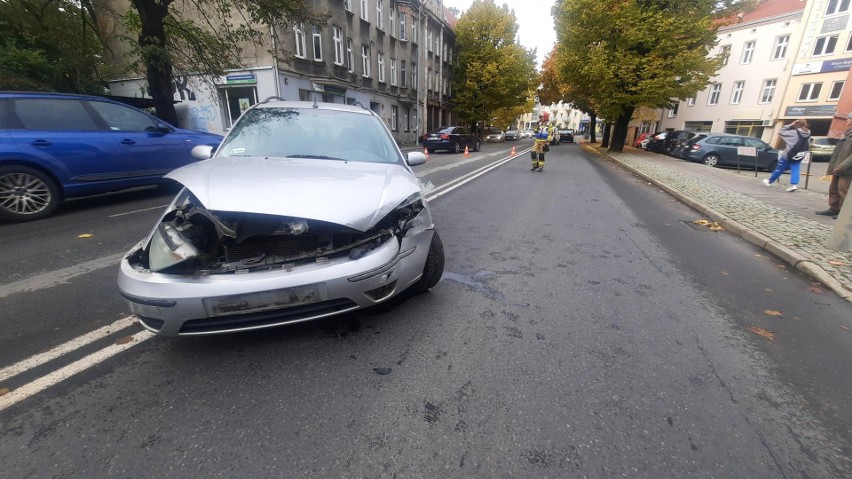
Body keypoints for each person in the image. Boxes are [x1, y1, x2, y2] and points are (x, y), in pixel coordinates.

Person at [816, 113, 852, 219]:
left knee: (843, 191)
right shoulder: (847, 133)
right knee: (834, 189)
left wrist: (843, 166)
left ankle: (843, 213)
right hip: (838, 166)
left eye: (848, 119)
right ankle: (833, 208)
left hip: (847, 169)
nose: (847, 121)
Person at [763, 119, 810, 192]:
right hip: (799, 155)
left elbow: (781, 131)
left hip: (788, 154)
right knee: (795, 169)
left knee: (779, 168)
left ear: (797, 124)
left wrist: (791, 124)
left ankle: (769, 181)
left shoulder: (794, 133)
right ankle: (794, 185)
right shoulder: (808, 133)